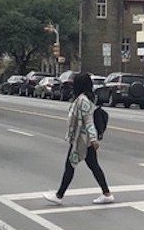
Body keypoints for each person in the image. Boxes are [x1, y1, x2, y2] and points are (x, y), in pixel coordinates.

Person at [44, 71, 114, 205]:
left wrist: (93, 139)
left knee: (70, 165)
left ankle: (59, 195)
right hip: (83, 139)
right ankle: (106, 193)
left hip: (82, 140)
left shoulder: (83, 100)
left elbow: (88, 121)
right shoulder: (86, 98)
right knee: (92, 165)